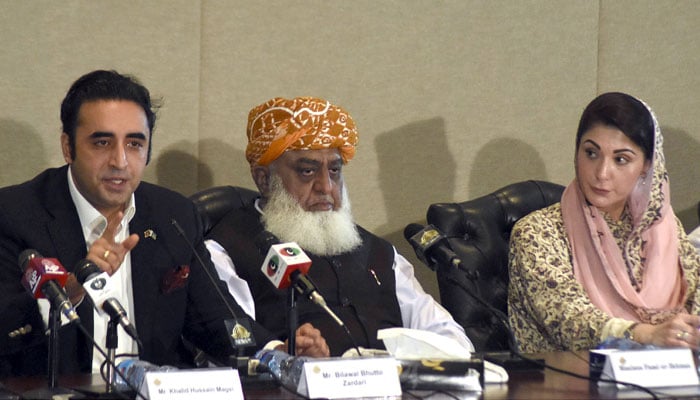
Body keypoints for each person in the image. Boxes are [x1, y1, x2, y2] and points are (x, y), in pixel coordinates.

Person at [0, 70, 326, 377]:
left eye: (135, 144)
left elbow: (215, 317)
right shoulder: (15, 215)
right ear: (68, 147)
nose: (120, 161)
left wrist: (278, 353)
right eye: (101, 143)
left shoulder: (172, 215)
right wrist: (66, 295)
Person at [205, 96, 473, 357]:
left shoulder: (378, 252)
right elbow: (232, 338)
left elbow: (450, 337)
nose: (326, 187)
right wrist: (284, 355)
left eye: (334, 171)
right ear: (264, 179)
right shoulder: (227, 249)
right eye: (307, 171)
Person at [508, 92, 700, 353]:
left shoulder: (664, 228)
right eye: (591, 153)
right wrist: (645, 334)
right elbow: (570, 322)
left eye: (621, 159)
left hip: (669, 380)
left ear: (646, 166)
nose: (601, 173)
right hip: (570, 383)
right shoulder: (538, 232)